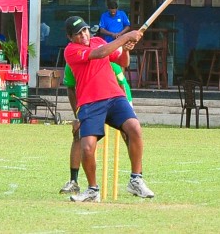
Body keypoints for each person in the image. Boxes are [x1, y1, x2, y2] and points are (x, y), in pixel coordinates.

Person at [64, 16, 154, 202]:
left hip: (114, 96)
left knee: (135, 128)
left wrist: (126, 49)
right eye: (78, 34)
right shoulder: (71, 50)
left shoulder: (98, 40)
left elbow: (123, 62)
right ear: (70, 37)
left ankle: (136, 179)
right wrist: (126, 36)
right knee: (88, 147)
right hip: (90, 102)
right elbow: (101, 53)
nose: (83, 35)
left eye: (85, 30)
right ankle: (92, 190)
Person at [59, 61, 133, 194]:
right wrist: (78, 115)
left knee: (128, 133)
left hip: (116, 99)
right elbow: (71, 89)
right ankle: (73, 181)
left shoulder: (109, 64)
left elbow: (122, 86)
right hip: (91, 102)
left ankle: (136, 179)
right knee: (79, 134)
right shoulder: (72, 63)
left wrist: (127, 110)